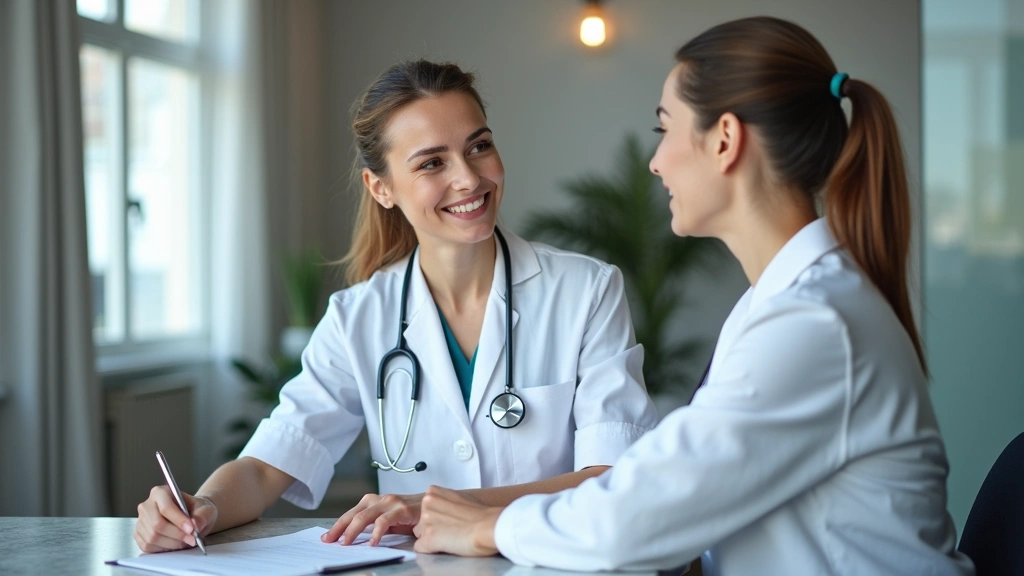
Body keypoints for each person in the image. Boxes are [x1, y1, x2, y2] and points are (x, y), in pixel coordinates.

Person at [410, 17, 976, 576]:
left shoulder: (813, 323)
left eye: (665, 129)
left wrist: (483, 527)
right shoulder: (777, 307)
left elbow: (641, 515)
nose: (655, 162)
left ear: (725, 140)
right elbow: (675, 476)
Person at [132, 60, 658, 553]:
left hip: (546, 562)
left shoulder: (586, 291)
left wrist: (441, 508)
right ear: (381, 188)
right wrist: (201, 508)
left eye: (479, 147)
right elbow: (271, 463)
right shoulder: (358, 316)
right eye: (433, 162)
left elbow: (610, 475)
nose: (469, 179)